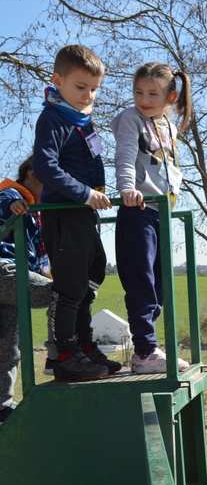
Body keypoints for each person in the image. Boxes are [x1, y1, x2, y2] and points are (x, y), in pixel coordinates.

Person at [32, 44, 121, 382]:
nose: (88, 95)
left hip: (84, 216)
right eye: (81, 87)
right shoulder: (53, 117)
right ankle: (63, 354)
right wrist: (84, 194)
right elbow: (45, 167)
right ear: (58, 80)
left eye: (94, 89)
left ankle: (84, 346)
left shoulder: (82, 121)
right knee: (69, 287)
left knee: (90, 281)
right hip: (64, 214)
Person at [110, 62, 192, 374]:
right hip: (139, 211)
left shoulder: (169, 127)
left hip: (162, 213)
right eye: (138, 92)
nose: (144, 99)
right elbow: (126, 156)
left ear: (170, 98)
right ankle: (144, 350)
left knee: (159, 286)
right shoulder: (131, 119)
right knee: (141, 281)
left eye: (152, 94)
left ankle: (148, 350)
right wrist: (127, 188)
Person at [0, 156, 57, 425]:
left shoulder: (34, 208)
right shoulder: (12, 194)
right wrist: (12, 205)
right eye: (52, 182)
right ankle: (60, 355)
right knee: (63, 293)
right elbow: (4, 201)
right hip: (5, 270)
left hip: (12, 279)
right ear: (33, 175)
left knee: (7, 344)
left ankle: (1, 405)